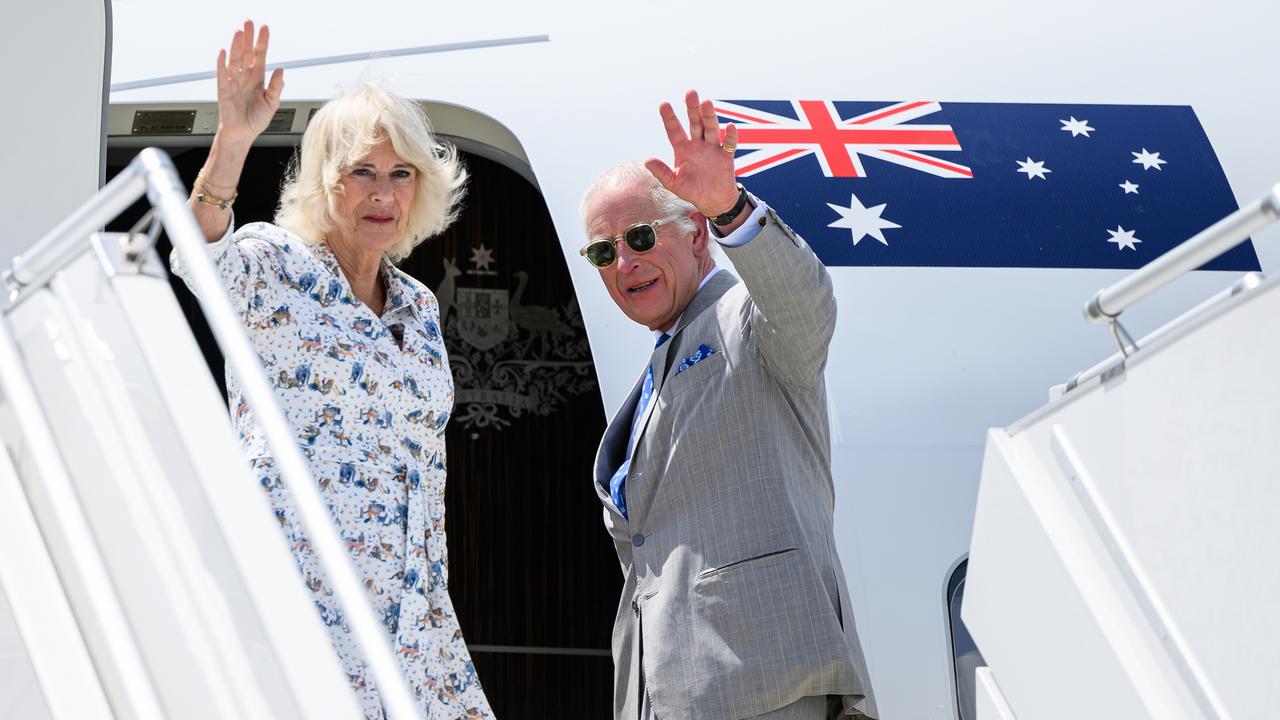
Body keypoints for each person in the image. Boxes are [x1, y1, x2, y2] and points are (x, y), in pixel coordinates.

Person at [170, 21, 492, 720]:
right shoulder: (279, 267)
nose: (383, 192)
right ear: (326, 181)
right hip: (303, 606)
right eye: (362, 172)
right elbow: (196, 258)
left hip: (414, 615)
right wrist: (232, 141)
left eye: (400, 173)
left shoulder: (416, 304)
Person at [579, 90, 878, 720]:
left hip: (765, 687)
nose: (624, 262)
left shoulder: (743, 318)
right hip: (673, 696)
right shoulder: (661, 361)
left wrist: (732, 211)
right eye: (604, 251)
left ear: (693, 234)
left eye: (638, 236)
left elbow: (803, 305)